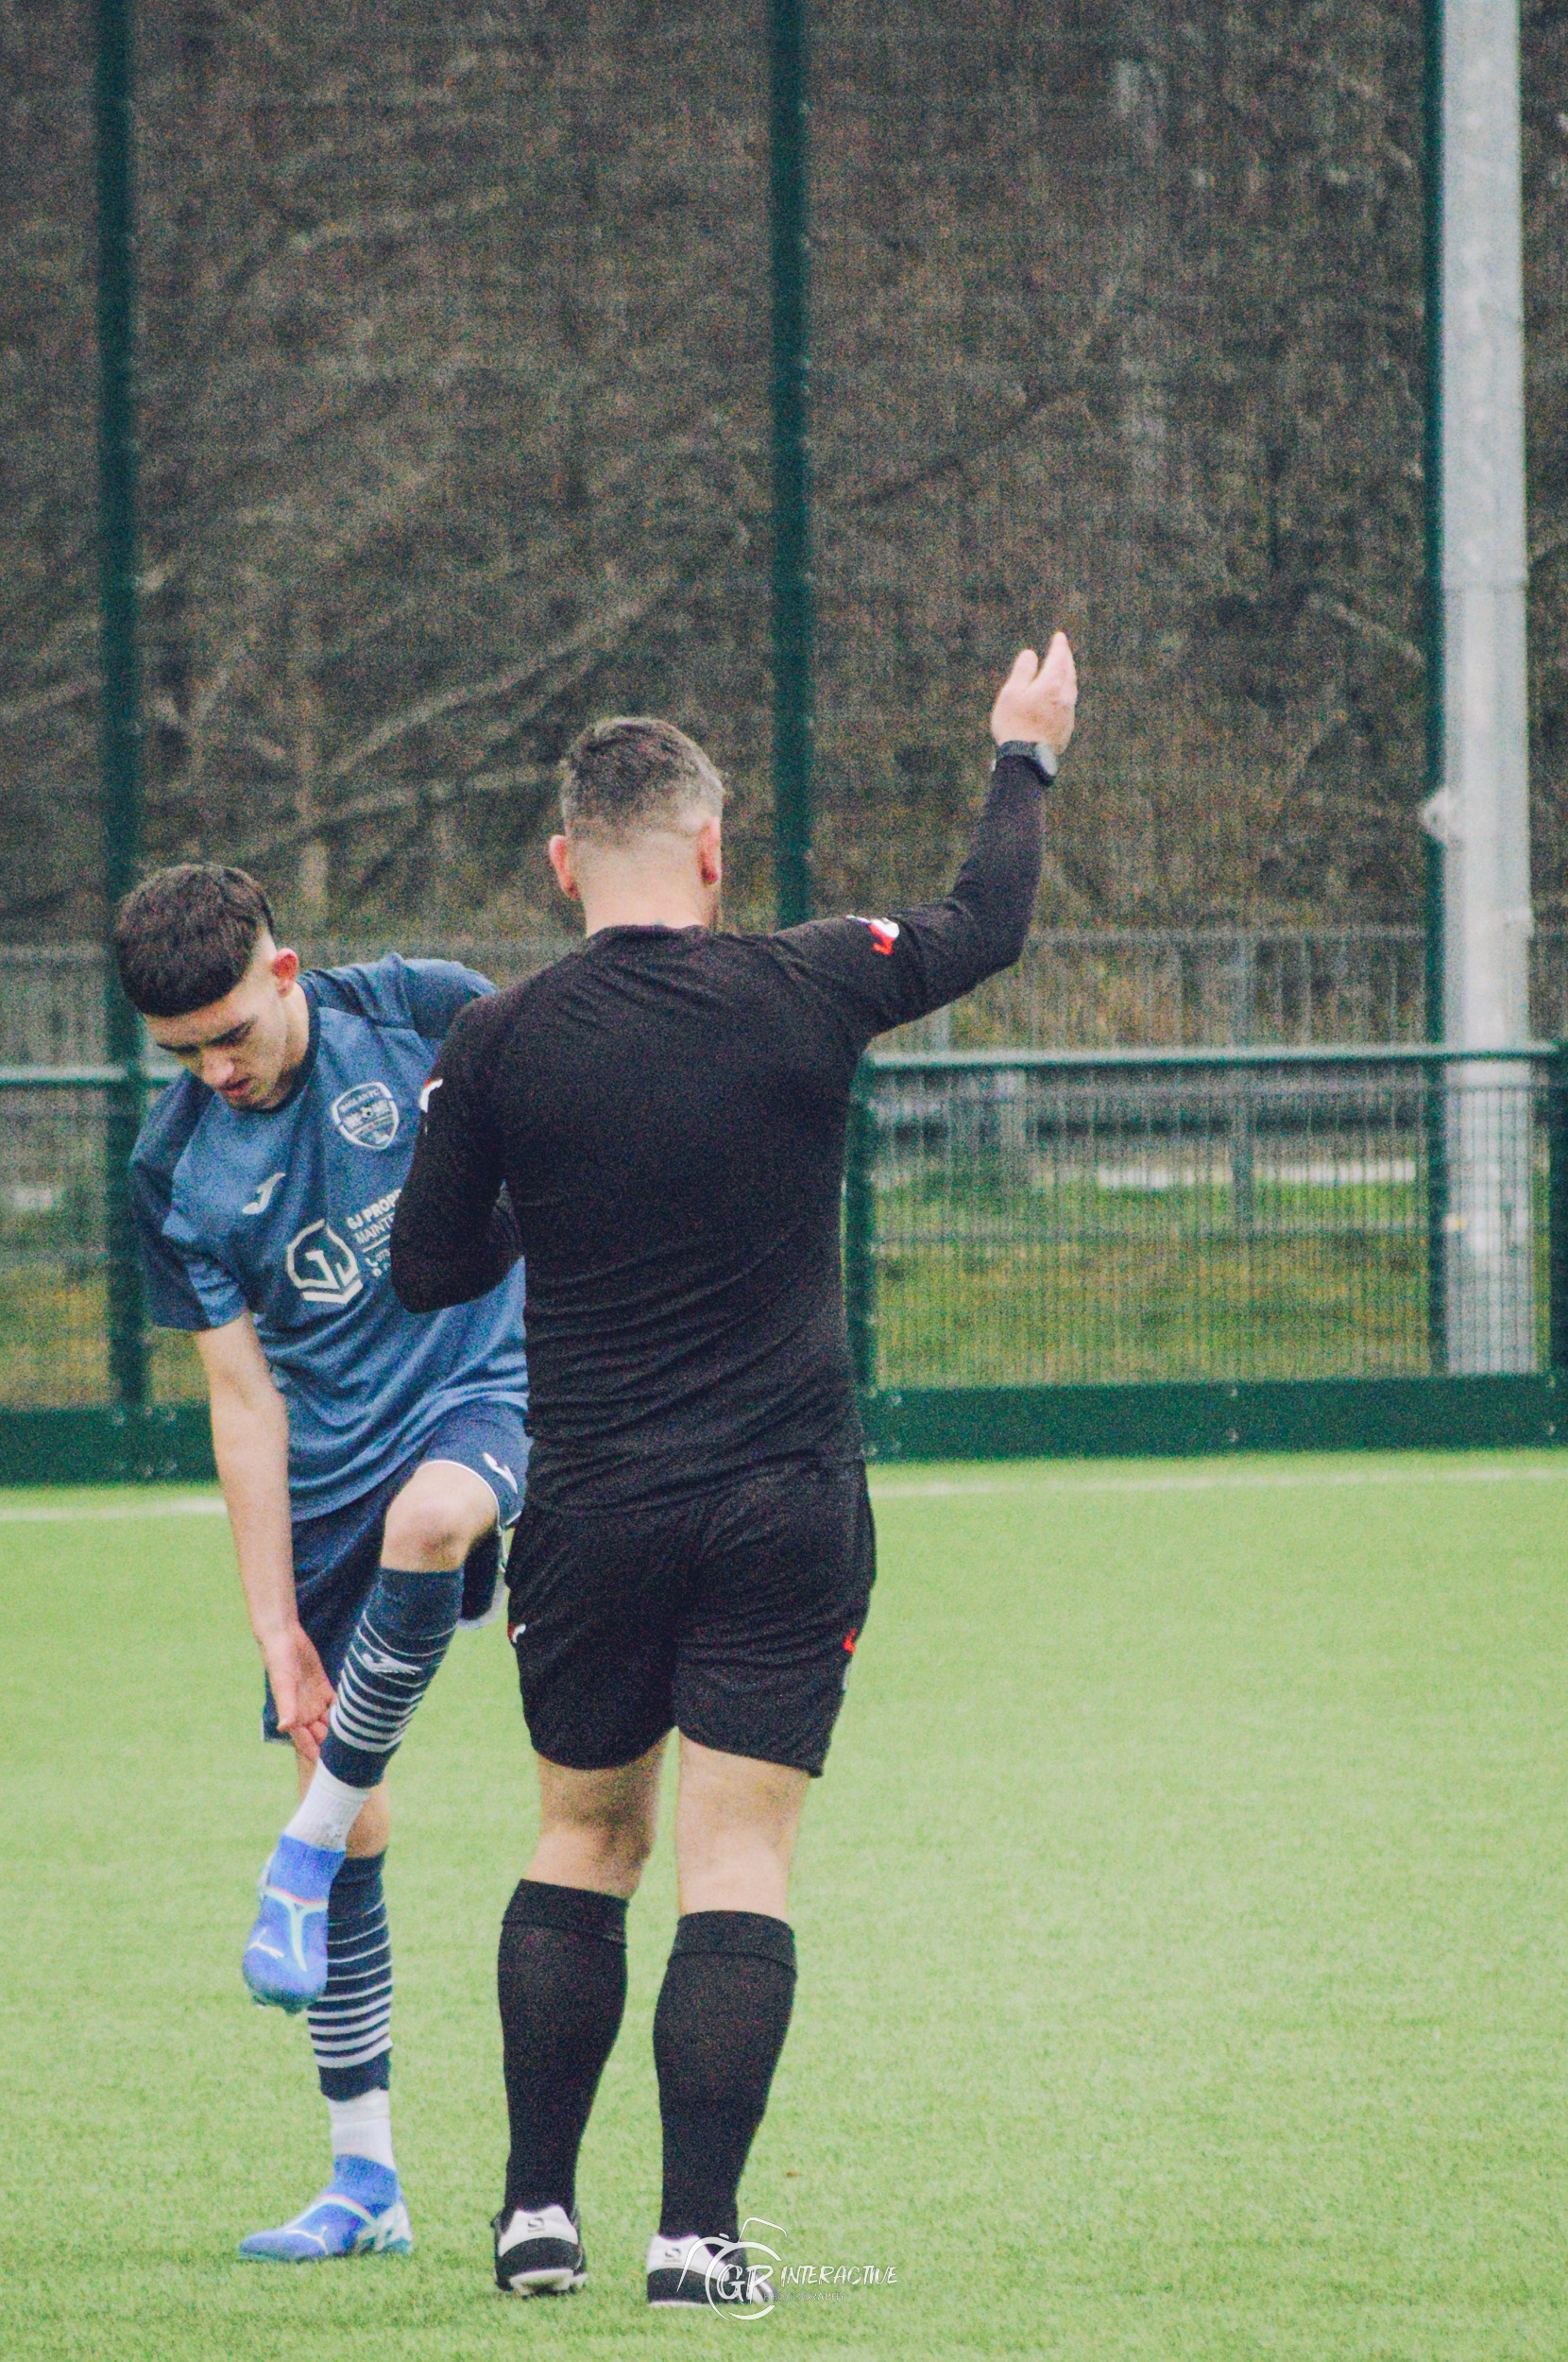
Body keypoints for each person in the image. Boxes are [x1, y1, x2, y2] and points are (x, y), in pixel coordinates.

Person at [388, 634, 1077, 2306]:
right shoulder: (811, 977)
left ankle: (535, 2217)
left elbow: (427, 1272)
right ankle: (696, 2241)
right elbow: (986, 924)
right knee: (738, 1858)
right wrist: (1023, 754)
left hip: (594, 1511)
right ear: (712, 850)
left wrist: (507, 1179)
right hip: (783, 1503)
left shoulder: (500, 1040)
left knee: (580, 1838)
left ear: (564, 864)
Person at [117, 865, 528, 2264]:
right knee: (355, 1817)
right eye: (183, 1052)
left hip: (493, 1389)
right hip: (330, 1481)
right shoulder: (174, 1172)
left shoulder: (420, 1014)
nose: (215, 1069)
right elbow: (244, 1407)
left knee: (437, 1518)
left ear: (284, 973)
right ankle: (368, 2184)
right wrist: (273, 1626)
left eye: (231, 1031)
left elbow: (574, 1128)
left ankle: (286, 1859)